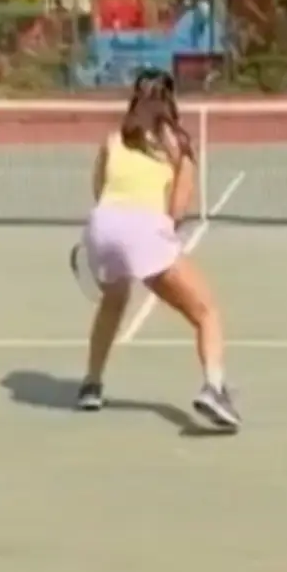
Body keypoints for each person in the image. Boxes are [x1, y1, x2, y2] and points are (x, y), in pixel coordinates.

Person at [74, 79, 239, 431]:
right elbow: (176, 211)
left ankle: (91, 384)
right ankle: (214, 388)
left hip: (101, 228)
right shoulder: (179, 147)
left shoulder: (112, 140)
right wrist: (155, 243)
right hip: (144, 231)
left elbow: (99, 191)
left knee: (113, 301)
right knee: (206, 311)